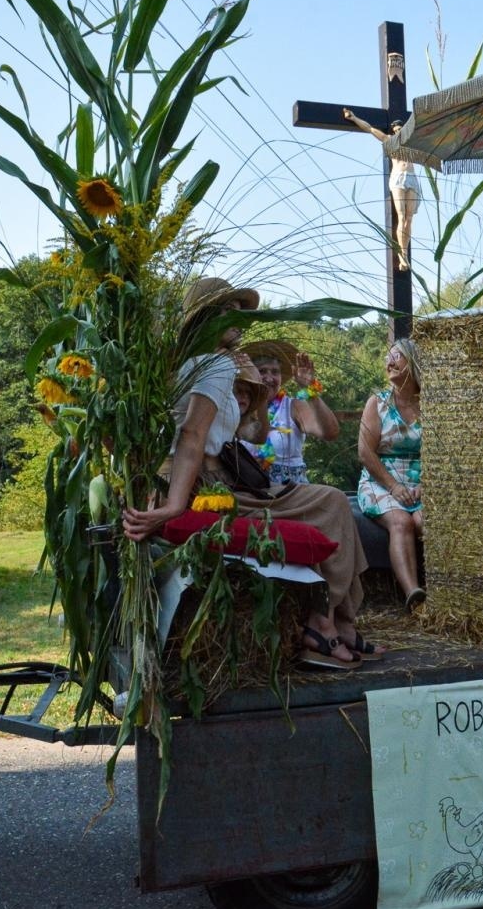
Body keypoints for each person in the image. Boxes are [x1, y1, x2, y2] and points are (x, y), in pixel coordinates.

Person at [122, 277, 377, 670]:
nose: (240, 321)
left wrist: (256, 388)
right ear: (203, 315)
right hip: (205, 487)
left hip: (218, 479)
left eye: (243, 312)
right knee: (332, 503)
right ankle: (324, 625)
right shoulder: (214, 364)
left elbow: (251, 431)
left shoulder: (180, 363)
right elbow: (191, 434)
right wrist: (175, 505)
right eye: (228, 311)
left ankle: (337, 622)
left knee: (333, 501)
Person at [358, 337, 425, 609]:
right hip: (380, 480)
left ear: (414, 362)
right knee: (401, 522)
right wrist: (394, 487)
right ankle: (414, 595)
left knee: (424, 523)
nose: (390, 361)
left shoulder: (430, 404)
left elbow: (442, 451)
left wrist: (427, 483)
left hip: (420, 481)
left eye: (397, 355)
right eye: (388, 356)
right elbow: (365, 452)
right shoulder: (378, 402)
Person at [239, 340, 340, 486]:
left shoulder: (293, 407)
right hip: (249, 489)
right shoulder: (238, 406)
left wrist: (310, 389)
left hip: (291, 492)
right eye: (262, 371)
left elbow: (330, 432)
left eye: (275, 372)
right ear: (250, 375)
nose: (269, 378)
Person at [343, 108, 420, 268]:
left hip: (412, 178)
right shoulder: (389, 141)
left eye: (400, 129)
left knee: (409, 218)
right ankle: (402, 255)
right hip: (398, 177)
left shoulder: (412, 144)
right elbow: (370, 128)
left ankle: (404, 252)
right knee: (400, 215)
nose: (398, 132)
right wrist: (354, 118)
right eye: (396, 130)